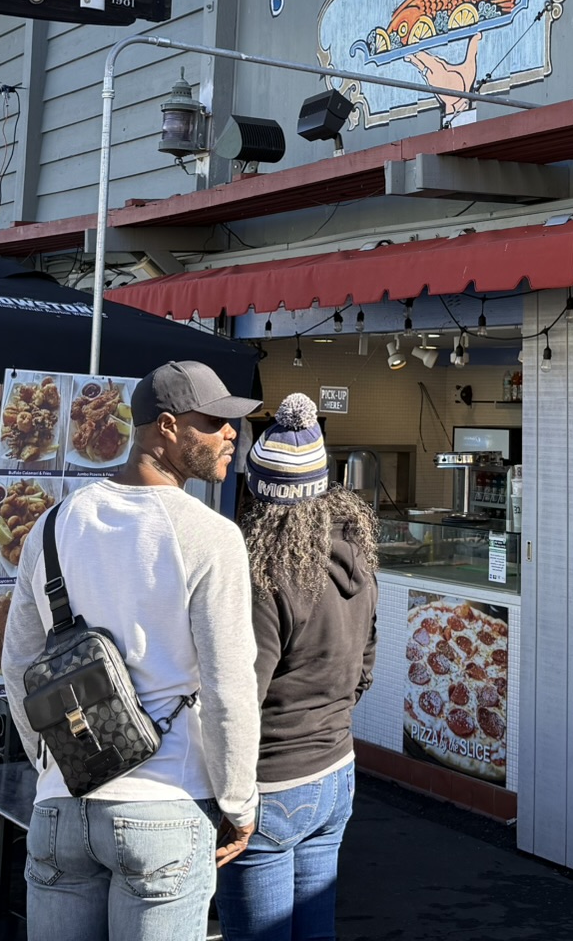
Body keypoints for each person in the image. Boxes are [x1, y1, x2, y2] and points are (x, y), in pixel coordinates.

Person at [2, 359, 264, 941]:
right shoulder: (212, 536)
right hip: (165, 805)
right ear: (167, 428)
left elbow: (17, 664)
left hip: (60, 810)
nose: (232, 435)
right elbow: (229, 688)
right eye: (215, 422)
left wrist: (53, 761)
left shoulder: (50, 526)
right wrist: (240, 802)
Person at [217, 394, 378, 941]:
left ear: (258, 495)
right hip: (337, 771)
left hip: (273, 784)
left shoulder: (264, 578)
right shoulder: (358, 559)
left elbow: (241, 697)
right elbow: (364, 669)